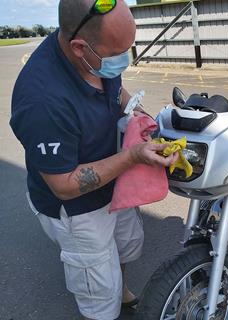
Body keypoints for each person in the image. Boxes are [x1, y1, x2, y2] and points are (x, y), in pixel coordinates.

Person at [9, 0, 178, 319]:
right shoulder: (42, 100)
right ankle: (104, 306)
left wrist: (138, 116)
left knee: (127, 246)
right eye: (117, 54)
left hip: (115, 185)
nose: (124, 61)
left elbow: (117, 88)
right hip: (78, 208)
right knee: (97, 287)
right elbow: (65, 185)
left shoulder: (93, 56)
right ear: (78, 47)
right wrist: (132, 156)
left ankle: (121, 291)